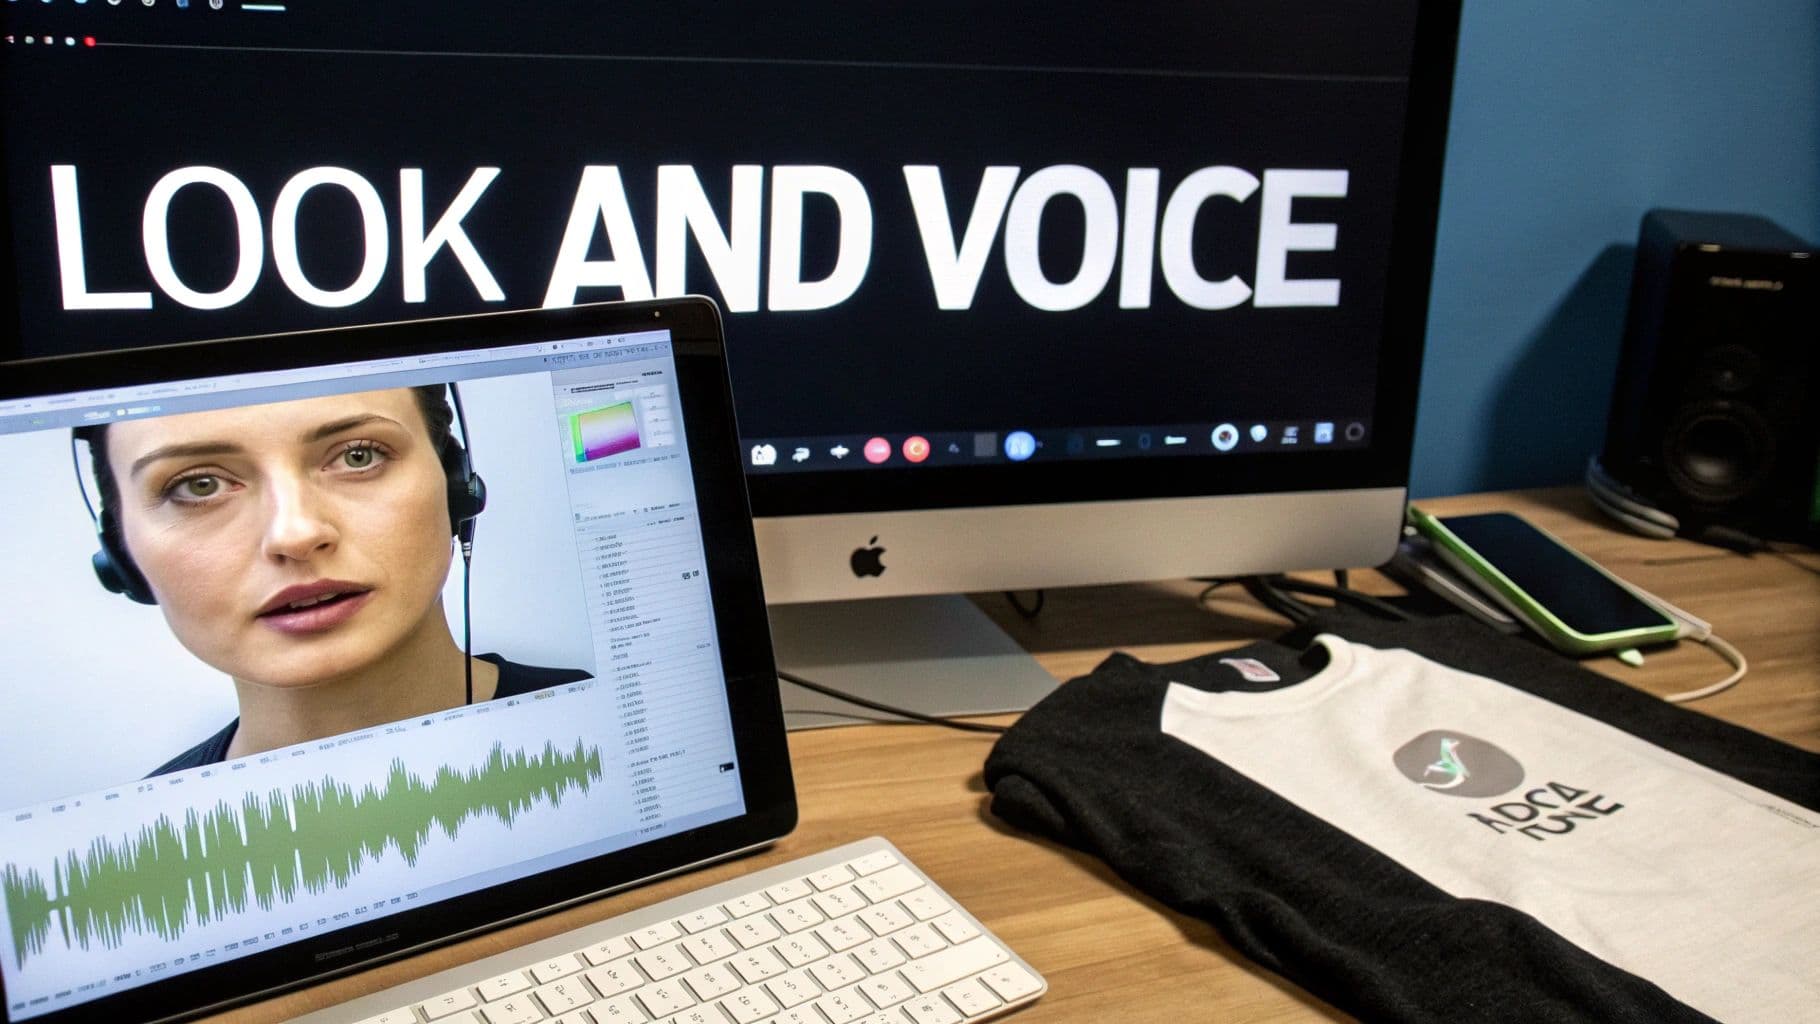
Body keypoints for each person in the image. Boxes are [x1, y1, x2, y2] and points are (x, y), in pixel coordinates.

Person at [73, 385, 588, 775]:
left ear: (455, 488)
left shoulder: (609, 722)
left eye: (357, 455)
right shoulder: (147, 832)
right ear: (122, 554)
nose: (295, 534)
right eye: (199, 485)